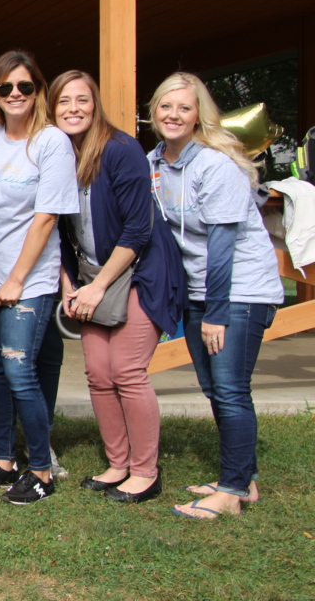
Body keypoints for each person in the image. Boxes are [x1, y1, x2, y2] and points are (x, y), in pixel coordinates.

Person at [147, 72, 285, 520]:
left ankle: (230, 491)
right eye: (166, 106)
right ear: (154, 110)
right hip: (199, 289)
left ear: (198, 116)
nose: (174, 115)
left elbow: (222, 247)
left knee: (229, 389)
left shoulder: (215, 165)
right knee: (214, 387)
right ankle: (243, 480)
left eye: (184, 108)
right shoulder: (155, 162)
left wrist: (217, 314)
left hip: (238, 290)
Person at [49, 70, 186, 504]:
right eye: (64, 101)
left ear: (96, 104)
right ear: (52, 110)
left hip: (140, 270)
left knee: (127, 371)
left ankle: (146, 472)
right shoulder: (57, 155)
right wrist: (72, 286)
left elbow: (138, 230)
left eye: (82, 99)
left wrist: (97, 288)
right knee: (98, 373)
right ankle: (117, 463)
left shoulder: (122, 149)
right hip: (89, 275)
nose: (73, 108)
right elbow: (56, 229)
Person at [0, 50, 78, 505]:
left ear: (37, 92)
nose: (15, 95)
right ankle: (4, 460)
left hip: (27, 280)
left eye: (24, 87)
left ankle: (42, 471)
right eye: (5, 87)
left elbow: (46, 217)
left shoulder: (51, 142)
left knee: (18, 369)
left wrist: (16, 278)